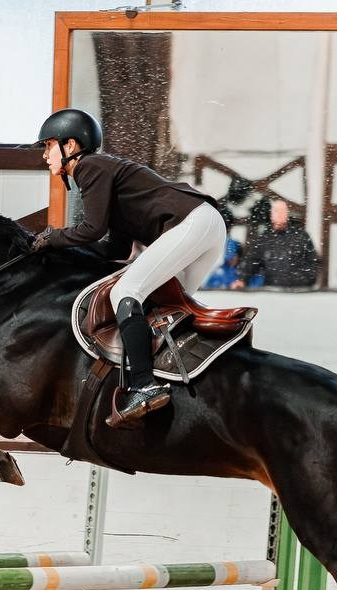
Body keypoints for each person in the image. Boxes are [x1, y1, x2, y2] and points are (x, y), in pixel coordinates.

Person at [32, 108, 227, 426]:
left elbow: (90, 230)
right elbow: (115, 248)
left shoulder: (90, 167)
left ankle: (145, 385)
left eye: (48, 146)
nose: (44, 155)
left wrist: (54, 239)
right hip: (206, 225)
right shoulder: (107, 173)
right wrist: (69, 257)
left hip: (192, 222)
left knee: (127, 291)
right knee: (164, 304)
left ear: (70, 146)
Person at [232, 200, 319, 290]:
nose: (279, 215)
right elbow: (252, 261)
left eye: (282, 212)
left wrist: (304, 281)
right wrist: (242, 279)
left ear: (286, 214)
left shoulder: (301, 236)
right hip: (272, 290)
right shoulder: (265, 238)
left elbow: (313, 262)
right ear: (271, 215)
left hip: (299, 291)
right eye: (276, 212)